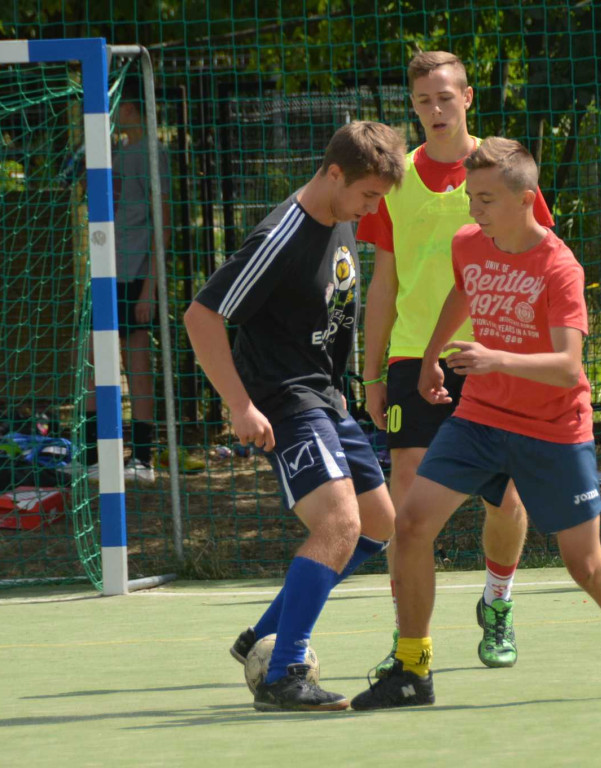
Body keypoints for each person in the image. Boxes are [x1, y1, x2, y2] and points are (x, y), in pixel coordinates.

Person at [351, 138, 601, 710]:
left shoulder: (560, 268)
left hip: (554, 427)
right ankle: (412, 665)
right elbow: (461, 291)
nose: (474, 210)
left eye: (485, 199)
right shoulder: (470, 244)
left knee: (585, 566)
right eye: (471, 198)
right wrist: (429, 360)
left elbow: (568, 365)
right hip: (479, 417)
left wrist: (494, 358)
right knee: (413, 523)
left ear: (526, 200)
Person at [183, 121, 407, 712]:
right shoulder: (279, 237)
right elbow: (201, 316)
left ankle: (260, 637)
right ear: (335, 174)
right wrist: (240, 404)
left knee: (379, 523)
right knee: (339, 525)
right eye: (367, 196)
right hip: (285, 400)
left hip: (327, 398)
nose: (370, 209)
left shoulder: (339, 217)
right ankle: (285, 673)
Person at [357, 50, 555, 672]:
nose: (435, 110)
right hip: (414, 358)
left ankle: (497, 603)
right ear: (412, 107)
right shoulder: (397, 180)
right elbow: (383, 281)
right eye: (423, 101)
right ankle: (408, 637)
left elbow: (542, 263)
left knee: (506, 501)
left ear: (467, 98)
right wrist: (370, 373)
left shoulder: (503, 174)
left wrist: (543, 358)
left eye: (446, 98)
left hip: (496, 358)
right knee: (407, 506)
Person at [81, 76, 171, 482]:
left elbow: (162, 220)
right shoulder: (111, 153)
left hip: (134, 273)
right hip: (102, 270)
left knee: (136, 363)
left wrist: (150, 285)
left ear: (130, 109)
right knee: (92, 361)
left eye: (115, 106)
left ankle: (143, 459)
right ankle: (90, 457)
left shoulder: (152, 152)